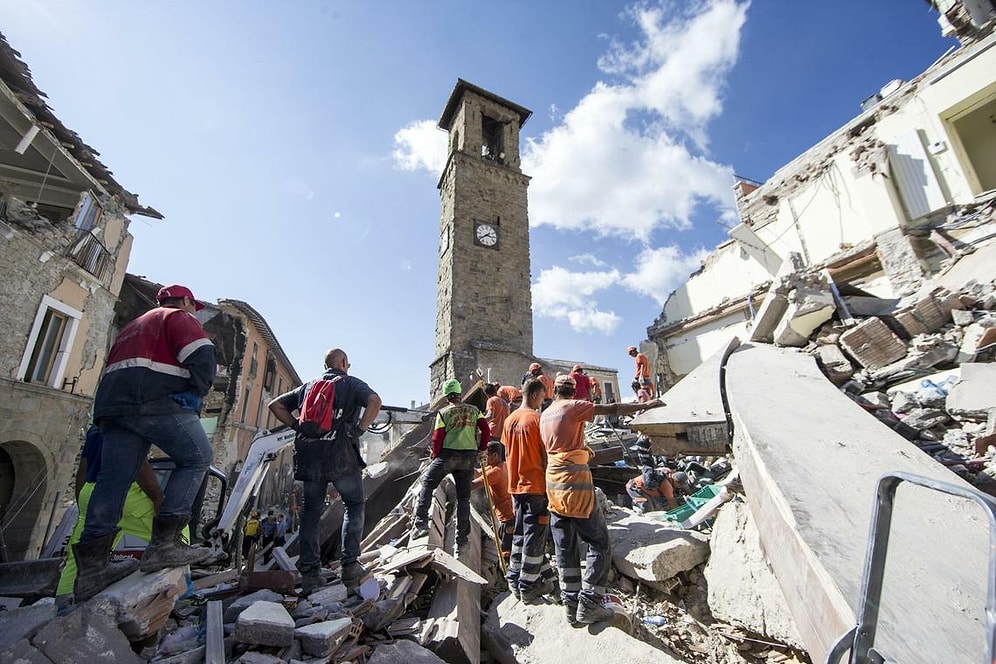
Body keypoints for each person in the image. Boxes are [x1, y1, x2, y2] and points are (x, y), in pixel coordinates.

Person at [74, 284, 216, 602]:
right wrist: (196, 391)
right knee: (197, 456)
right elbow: (203, 356)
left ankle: (92, 567)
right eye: (195, 307)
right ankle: (164, 545)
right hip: (151, 401)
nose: (196, 313)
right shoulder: (178, 316)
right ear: (187, 301)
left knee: (113, 479)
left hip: (112, 408)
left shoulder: (132, 327)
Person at [541, 373, 663, 625]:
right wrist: (644, 406)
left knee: (565, 546)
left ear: (555, 391)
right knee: (598, 542)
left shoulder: (545, 413)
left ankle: (571, 604)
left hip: (552, 484)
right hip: (574, 483)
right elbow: (613, 408)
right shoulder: (573, 407)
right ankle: (590, 604)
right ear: (573, 392)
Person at [269, 348, 382, 595]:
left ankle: (310, 574)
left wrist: (297, 426)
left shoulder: (307, 387)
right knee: (353, 506)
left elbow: (275, 405)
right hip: (341, 456)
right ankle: (350, 566)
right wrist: (360, 428)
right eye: (347, 364)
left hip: (310, 457)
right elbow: (375, 402)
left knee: (310, 512)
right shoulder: (350, 383)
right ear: (343, 363)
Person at [56, 425, 188, 607]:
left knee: (83, 550)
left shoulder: (98, 426)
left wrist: (84, 506)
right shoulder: (133, 417)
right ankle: (183, 589)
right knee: (174, 528)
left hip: (91, 489)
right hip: (126, 492)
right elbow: (138, 462)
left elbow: (83, 469)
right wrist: (158, 497)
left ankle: (64, 602)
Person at [411, 379, 490, 545]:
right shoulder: (474, 410)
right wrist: (481, 449)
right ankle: (462, 538)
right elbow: (486, 428)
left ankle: (421, 524)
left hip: (448, 455)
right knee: (463, 498)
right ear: (460, 394)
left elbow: (437, 437)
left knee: (428, 484)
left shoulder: (444, 412)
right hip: (468, 458)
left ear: (447, 396)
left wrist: (435, 454)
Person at [502, 378, 558, 603]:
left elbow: (508, 450)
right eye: (543, 398)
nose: (542, 403)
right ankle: (527, 585)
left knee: (521, 533)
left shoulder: (510, 420)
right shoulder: (537, 419)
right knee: (535, 536)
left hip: (516, 486)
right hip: (535, 485)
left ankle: (515, 577)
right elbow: (545, 455)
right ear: (535, 396)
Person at [471, 441, 514, 562]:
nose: (482, 460)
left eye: (485, 456)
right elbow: (478, 472)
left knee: (506, 549)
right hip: (509, 512)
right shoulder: (500, 465)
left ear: (494, 456)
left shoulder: (495, 472)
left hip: (507, 516)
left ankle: (508, 574)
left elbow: (473, 485)